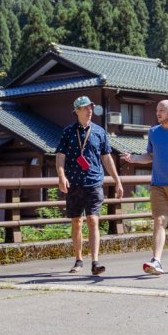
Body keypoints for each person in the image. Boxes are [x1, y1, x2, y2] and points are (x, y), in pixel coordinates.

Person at [122, 99, 168, 275]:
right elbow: (150, 155)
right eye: (157, 110)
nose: (158, 113)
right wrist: (134, 158)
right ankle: (156, 260)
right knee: (159, 220)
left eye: (161, 110)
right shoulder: (153, 132)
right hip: (158, 185)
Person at [56, 95, 123, 275]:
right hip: (74, 183)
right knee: (76, 222)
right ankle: (78, 259)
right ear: (77, 111)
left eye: (91, 107)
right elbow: (60, 157)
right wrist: (61, 177)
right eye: (85, 108)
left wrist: (117, 181)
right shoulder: (68, 132)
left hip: (94, 182)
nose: (89, 110)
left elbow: (107, 158)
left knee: (93, 220)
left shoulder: (99, 132)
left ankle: (95, 261)